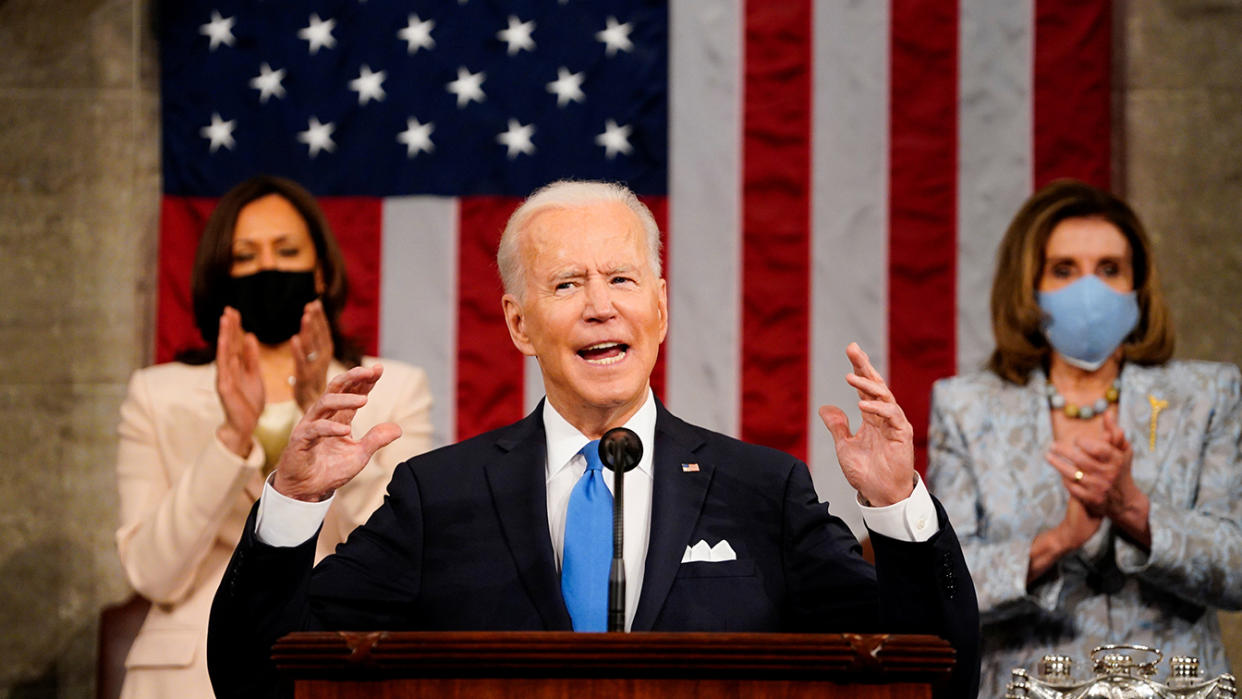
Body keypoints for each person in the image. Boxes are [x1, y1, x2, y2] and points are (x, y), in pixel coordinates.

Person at [207, 180, 980, 698]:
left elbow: (934, 673)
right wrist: (293, 504)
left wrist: (897, 507)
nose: (601, 307)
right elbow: (257, 676)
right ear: (519, 323)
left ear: (662, 307)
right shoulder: (438, 496)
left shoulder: (762, 490)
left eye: (622, 279)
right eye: (567, 284)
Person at [114, 175, 433, 699]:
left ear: (322, 271)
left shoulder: (392, 387)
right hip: (187, 679)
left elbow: (404, 555)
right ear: (222, 275)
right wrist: (231, 438)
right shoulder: (157, 394)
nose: (269, 268)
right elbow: (152, 574)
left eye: (287, 251)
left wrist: (330, 423)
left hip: (340, 666)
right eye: (246, 256)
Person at [926, 179, 1242, 696]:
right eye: (1064, 270)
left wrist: (1136, 512)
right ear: (1029, 285)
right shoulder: (968, 406)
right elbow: (945, 588)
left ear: (1139, 285)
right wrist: (1058, 541)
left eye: (1109, 269)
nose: (1088, 291)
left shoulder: (1207, 395)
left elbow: (1235, 568)